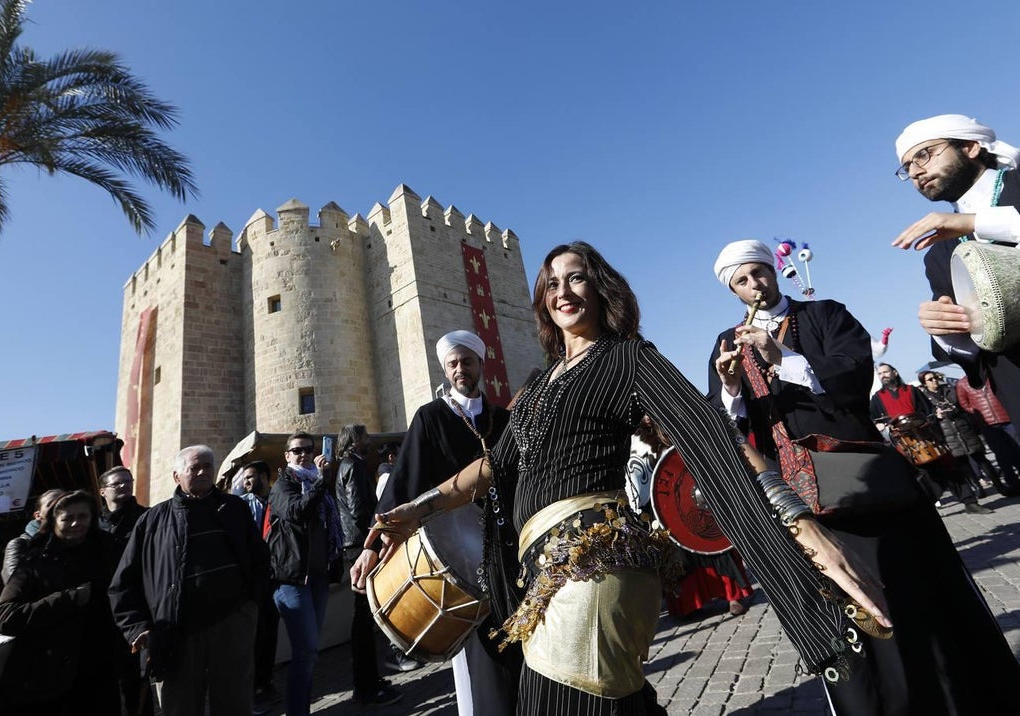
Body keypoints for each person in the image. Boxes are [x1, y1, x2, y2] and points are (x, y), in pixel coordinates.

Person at [369, 241, 892, 716]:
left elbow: (712, 435)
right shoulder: (537, 382)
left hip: (597, 566)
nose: (562, 291)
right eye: (551, 283)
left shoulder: (629, 358)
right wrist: (413, 511)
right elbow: (494, 464)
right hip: (541, 574)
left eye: (575, 278)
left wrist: (804, 530)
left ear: (600, 289)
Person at [710, 239, 1020, 714]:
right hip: (803, 505)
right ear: (732, 290)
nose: (754, 286)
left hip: (868, 488)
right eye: (742, 281)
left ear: (773, 270)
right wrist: (731, 389)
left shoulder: (826, 314)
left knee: (916, 596)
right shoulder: (728, 341)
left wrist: (781, 357)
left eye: (759, 273)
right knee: (851, 616)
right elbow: (727, 425)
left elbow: (854, 378)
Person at [350, 329, 516, 715]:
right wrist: (372, 547)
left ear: (480, 365)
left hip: (508, 550)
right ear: (445, 369)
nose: (461, 370)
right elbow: (402, 487)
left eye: (467, 362)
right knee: (481, 664)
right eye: (453, 364)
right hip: (458, 557)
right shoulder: (430, 417)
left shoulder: (503, 420)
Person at [110, 445, 270, 716]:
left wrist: (252, 606)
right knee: (179, 705)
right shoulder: (152, 521)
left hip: (231, 625)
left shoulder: (234, 508)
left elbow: (260, 559)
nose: (202, 472)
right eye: (193, 467)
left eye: (207, 466)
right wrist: (137, 629)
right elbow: (123, 583)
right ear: (176, 476)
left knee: (235, 703)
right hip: (176, 631)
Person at [891, 114, 1020, 430]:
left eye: (924, 155)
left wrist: (977, 223)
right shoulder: (939, 254)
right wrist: (946, 329)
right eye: (907, 167)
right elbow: (974, 353)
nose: (916, 172)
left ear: (972, 147)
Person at [0, 490, 118, 714]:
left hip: (98, 667)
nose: (76, 523)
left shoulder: (110, 552)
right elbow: (6, 617)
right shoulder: (35, 561)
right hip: (45, 673)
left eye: (83, 516)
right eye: (68, 518)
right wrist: (68, 598)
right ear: (53, 521)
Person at [628, 416, 753, 618]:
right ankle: (690, 602)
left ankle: (732, 595)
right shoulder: (627, 427)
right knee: (678, 549)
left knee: (708, 532)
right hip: (653, 490)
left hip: (688, 479)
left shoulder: (667, 414)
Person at [267, 432, 347, 716]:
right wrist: (321, 484)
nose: (303, 454)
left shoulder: (317, 482)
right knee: (308, 650)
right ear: (287, 456)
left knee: (310, 653)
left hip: (318, 576)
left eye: (308, 449)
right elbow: (296, 512)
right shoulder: (283, 485)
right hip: (292, 579)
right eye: (297, 450)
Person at [333, 424, 402, 706]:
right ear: (354, 441)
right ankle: (366, 686)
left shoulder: (351, 465)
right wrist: (373, 541)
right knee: (364, 619)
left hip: (357, 544)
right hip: (361, 547)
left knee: (366, 618)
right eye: (365, 437)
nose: (370, 441)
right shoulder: (353, 466)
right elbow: (360, 509)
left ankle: (370, 680)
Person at [870, 363, 989, 512]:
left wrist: (934, 417)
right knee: (922, 477)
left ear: (894, 372)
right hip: (906, 444)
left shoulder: (912, 391)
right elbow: (874, 419)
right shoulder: (877, 398)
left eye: (886, 372)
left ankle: (970, 502)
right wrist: (879, 425)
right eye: (880, 374)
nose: (883, 375)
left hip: (926, 437)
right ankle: (926, 509)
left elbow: (929, 410)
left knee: (949, 467)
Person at [95, 466, 152, 716]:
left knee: (137, 677)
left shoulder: (146, 517)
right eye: (117, 483)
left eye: (127, 482)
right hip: (101, 609)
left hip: (135, 607)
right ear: (102, 490)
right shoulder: (94, 525)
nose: (124, 486)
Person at [234, 461, 282, 714]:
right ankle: (252, 688)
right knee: (255, 634)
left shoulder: (278, 499)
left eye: (251, 477)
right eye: (244, 478)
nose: (246, 482)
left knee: (270, 632)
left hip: (276, 576)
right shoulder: (242, 506)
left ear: (265, 476)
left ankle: (266, 681)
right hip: (254, 578)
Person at [917, 370, 1001, 496]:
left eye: (935, 377)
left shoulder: (949, 389)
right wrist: (936, 416)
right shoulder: (925, 398)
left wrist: (955, 410)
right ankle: (977, 487)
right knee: (962, 463)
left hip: (964, 428)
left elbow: (961, 405)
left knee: (980, 458)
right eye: (930, 379)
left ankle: (999, 484)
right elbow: (927, 416)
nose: (934, 380)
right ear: (924, 383)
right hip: (947, 433)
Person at [956, 375, 1020, 495]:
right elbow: (964, 404)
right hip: (988, 424)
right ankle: (1013, 483)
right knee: (1001, 455)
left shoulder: (991, 377)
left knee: (1017, 449)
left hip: (1006, 418)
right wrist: (981, 414)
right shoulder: (962, 383)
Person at [0, 489, 64, 584]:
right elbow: (15, 585)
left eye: (64, 503)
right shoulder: (20, 545)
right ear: (38, 515)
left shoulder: (78, 538)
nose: (59, 508)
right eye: (51, 504)